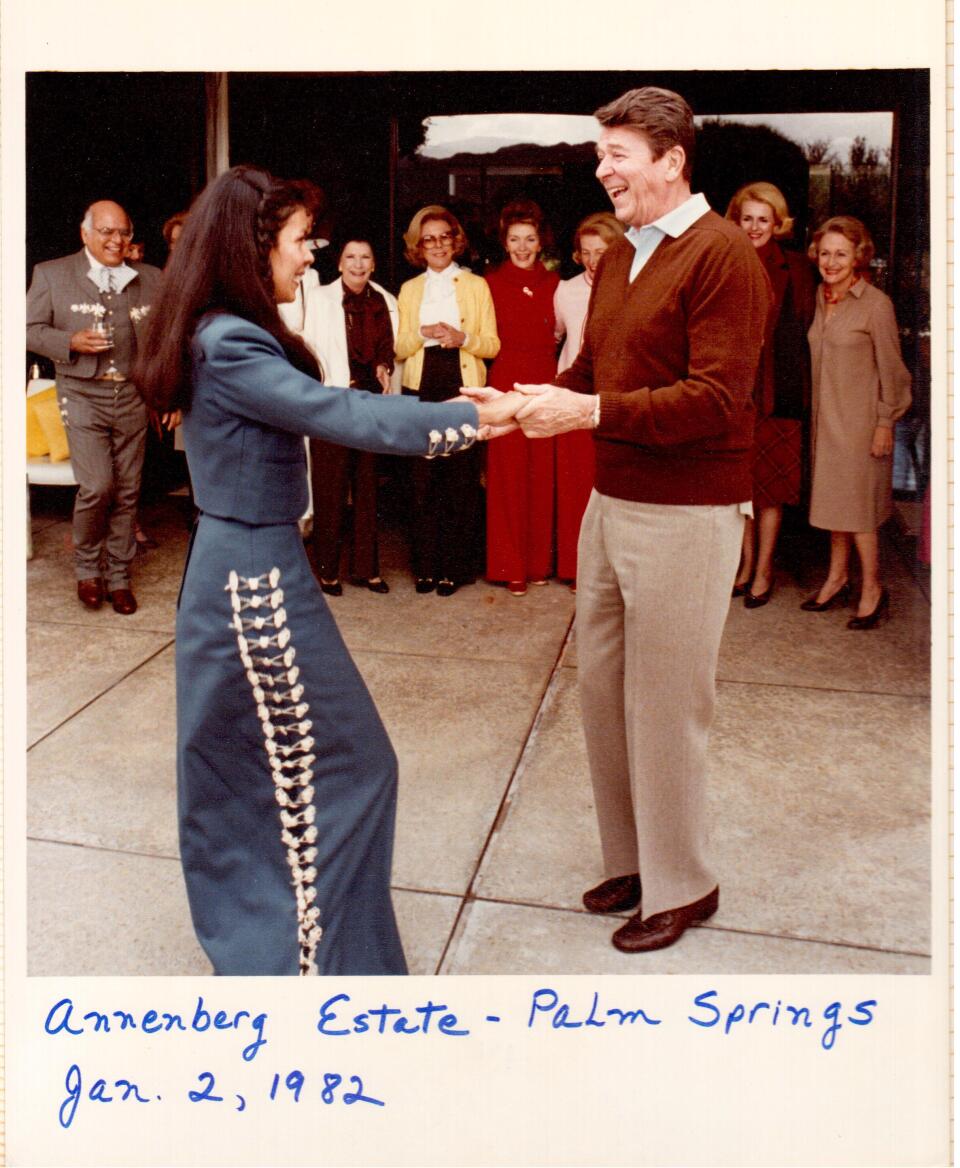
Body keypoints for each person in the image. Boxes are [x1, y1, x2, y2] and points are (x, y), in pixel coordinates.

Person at [135, 166, 520, 976]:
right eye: (298, 241)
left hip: (253, 565)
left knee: (254, 767)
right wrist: (480, 416)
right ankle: (305, 953)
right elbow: (339, 411)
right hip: (252, 578)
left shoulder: (223, 329)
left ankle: (285, 937)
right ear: (251, 247)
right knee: (344, 764)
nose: (306, 257)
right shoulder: (230, 340)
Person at [470, 86, 771, 953]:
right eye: (601, 156)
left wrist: (591, 416)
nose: (603, 172)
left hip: (688, 513)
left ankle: (688, 884)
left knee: (667, 704)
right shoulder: (624, 259)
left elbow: (716, 401)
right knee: (604, 694)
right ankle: (637, 861)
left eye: (620, 157)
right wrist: (521, 402)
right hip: (614, 503)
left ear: (673, 161)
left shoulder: (722, 257)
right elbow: (590, 373)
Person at [26, 199, 163, 614]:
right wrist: (68, 341)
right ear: (85, 234)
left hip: (133, 396)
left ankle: (119, 577)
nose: (115, 240)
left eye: (123, 232)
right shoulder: (52, 273)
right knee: (98, 484)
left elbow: (165, 340)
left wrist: (166, 394)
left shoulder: (151, 278)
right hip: (83, 393)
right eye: (105, 231)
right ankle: (88, 571)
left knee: (127, 490)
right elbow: (26, 329)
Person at [802, 215, 911, 628]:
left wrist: (885, 422)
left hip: (861, 426)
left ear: (858, 256)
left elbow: (894, 372)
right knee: (835, 507)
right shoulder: (820, 295)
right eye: (825, 253)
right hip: (827, 424)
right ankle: (837, 577)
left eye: (841, 254)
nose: (831, 262)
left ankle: (872, 588)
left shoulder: (876, 305)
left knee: (861, 514)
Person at [280, 236, 397, 595]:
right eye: (351, 257)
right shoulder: (319, 299)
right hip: (331, 402)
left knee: (366, 488)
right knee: (330, 488)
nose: (358, 264)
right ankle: (327, 570)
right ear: (340, 263)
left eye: (365, 257)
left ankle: (367, 569)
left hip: (369, 403)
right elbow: (304, 344)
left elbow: (388, 349)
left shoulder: (384, 301)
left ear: (373, 264)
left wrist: (383, 365)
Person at [396, 205, 500, 596]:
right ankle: (425, 567)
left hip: (462, 383)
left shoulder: (476, 286)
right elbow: (400, 346)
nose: (438, 244)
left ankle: (453, 569)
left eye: (444, 236)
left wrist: (463, 339)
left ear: (455, 241)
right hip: (421, 387)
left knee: (459, 479)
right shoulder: (409, 290)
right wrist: (424, 333)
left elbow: (491, 345)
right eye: (429, 239)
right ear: (418, 247)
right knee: (422, 481)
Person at [725, 182, 816, 607]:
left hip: (779, 390)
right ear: (736, 221)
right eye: (748, 219)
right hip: (734, 393)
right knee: (738, 487)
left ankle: (763, 570)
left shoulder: (797, 267)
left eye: (764, 219)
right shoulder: (724, 260)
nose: (755, 227)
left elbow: (809, 324)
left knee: (772, 489)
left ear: (778, 223)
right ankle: (743, 565)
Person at [484, 200, 559, 595]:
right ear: (505, 242)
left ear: (540, 241)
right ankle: (509, 565)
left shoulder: (556, 283)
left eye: (529, 238)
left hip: (546, 377)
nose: (523, 246)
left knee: (540, 473)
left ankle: (537, 563)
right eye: (515, 239)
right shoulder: (490, 283)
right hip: (507, 377)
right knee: (508, 473)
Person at [553, 211, 624, 588]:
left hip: (612, 400)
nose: (595, 260)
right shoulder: (565, 290)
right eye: (587, 252)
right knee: (574, 487)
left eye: (602, 250)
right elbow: (554, 335)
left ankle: (609, 572)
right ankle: (574, 567)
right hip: (573, 397)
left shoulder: (630, 287)